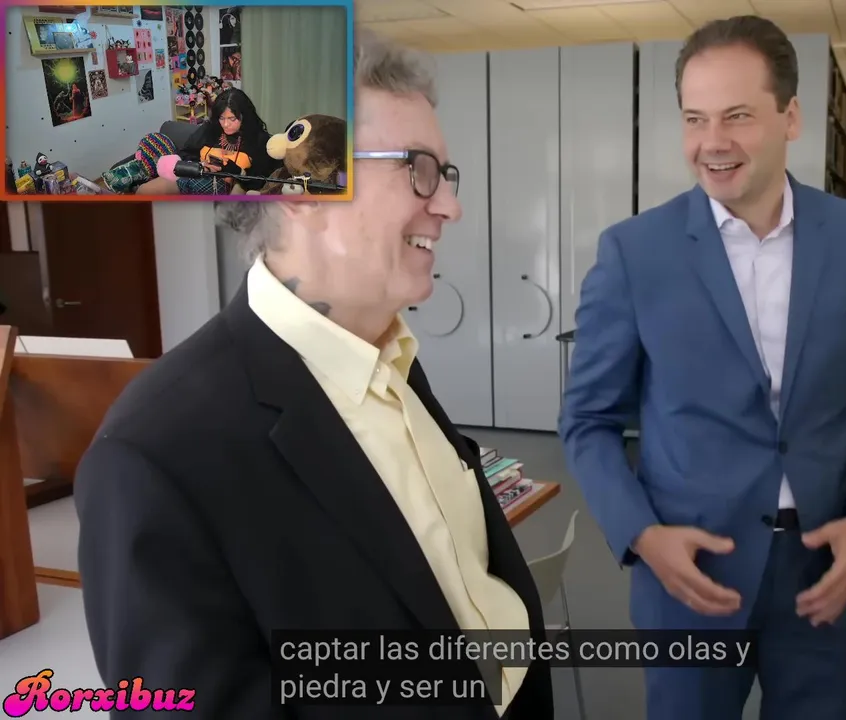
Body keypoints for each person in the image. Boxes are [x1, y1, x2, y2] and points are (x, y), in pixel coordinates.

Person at [75, 30, 553, 719]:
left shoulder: (391, 355)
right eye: (417, 169)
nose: (450, 206)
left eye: (445, 174)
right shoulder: (152, 457)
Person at [559, 15, 846, 720]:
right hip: (688, 575)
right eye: (694, 119)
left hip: (822, 575)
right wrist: (642, 536)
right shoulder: (635, 252)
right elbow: (587, 421)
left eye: (737, 116)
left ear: (791, 117)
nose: (712, 143)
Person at [136, 87, 278, 196]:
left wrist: (237, 172)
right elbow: (185, 154)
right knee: (144, 190)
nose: (226, 124)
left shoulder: (259, 139)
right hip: (194, 178)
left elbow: (263, 181)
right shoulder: (210, 129)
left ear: (244, 116)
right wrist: (202, 164)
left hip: (230, 188)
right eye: (222, 118)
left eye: (232, 119)